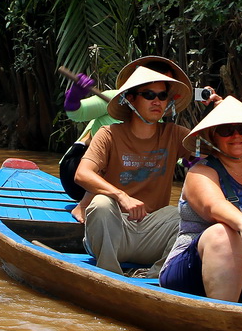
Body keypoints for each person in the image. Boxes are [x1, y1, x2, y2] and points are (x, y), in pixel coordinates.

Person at [73, 62, 196, 274]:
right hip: (113, 231)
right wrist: (122, 197)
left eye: (162, 96)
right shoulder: (108, 133)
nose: (156, 101)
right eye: (148, 95)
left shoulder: (175, 134)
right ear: (131, 99)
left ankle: (156, 275)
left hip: (153, 234)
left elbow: (210, 155)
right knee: (101, 204)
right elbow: (82, 174)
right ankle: (110, 275)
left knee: (186, 214)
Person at [159, 97, 242, 301]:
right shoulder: (200, 172)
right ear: (212, 137)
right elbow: (214, 206)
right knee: (222, 233)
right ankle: (225, 316)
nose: (236, 136)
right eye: (226, 131)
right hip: (193, 268)